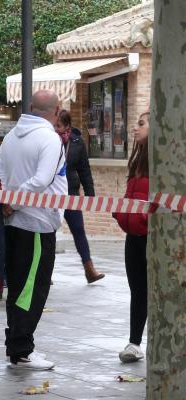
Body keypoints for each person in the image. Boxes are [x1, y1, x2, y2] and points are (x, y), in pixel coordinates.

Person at [0, 89, 67, 370]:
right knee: (31, 289)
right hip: (37, 223)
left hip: (13, 222)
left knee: (18, 286)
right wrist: (14, 202)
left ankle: (17, 344)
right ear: (57, 109)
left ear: (29, 107)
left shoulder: (10, 137)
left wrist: (8, 201)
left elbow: (0, 176)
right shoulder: (50, 139)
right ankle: (22, 349)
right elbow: (42, 180)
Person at [112, 111, 150, 363]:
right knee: (138, 291)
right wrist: (121, 213)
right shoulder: (137, 160)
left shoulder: (167, 160)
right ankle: (134, 343)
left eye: (141, 124)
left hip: (153, 238)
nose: (134, 129)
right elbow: (131, 195)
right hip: (134, 237)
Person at [54, 110, 104, 283]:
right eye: (54, 125)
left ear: (68, 126)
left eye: (58, 126)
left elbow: (84, 169)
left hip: (71, 193)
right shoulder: (49, 140)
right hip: (51, 193)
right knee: (48, 232)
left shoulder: (77, 142)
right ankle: (45, 272)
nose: (55, 129)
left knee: (78, 231)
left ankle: (89, 269)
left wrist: (90, 194)